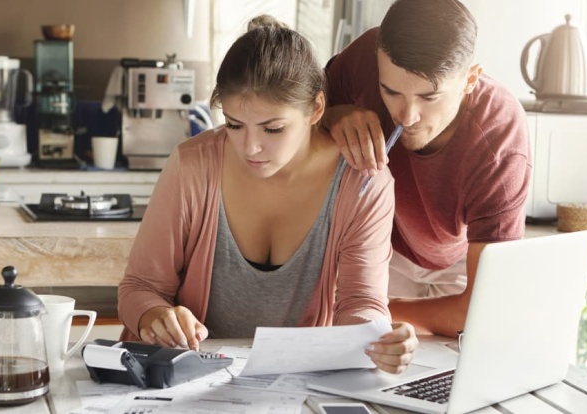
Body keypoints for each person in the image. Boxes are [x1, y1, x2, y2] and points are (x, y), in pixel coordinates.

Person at [118, 15, 418, 374]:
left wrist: (377, 340)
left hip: (293, 382)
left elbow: (361, 301)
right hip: (183, 379)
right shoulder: (192, 165)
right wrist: (156, 314)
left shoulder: (362, 183)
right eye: (234, 125)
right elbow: (139, 287)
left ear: (316, 109)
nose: (251, 148)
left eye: (272, 128)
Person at [322, 0, 531, 338]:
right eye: (390, 92)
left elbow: (483, 309)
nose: (405, 117)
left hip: (459, 265)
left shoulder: (499, 136)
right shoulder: (365, 57)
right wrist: (333, 115)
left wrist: (372, 312)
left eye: (429, 97)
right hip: (376, 247)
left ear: (470, 79)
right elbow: (300, 109)